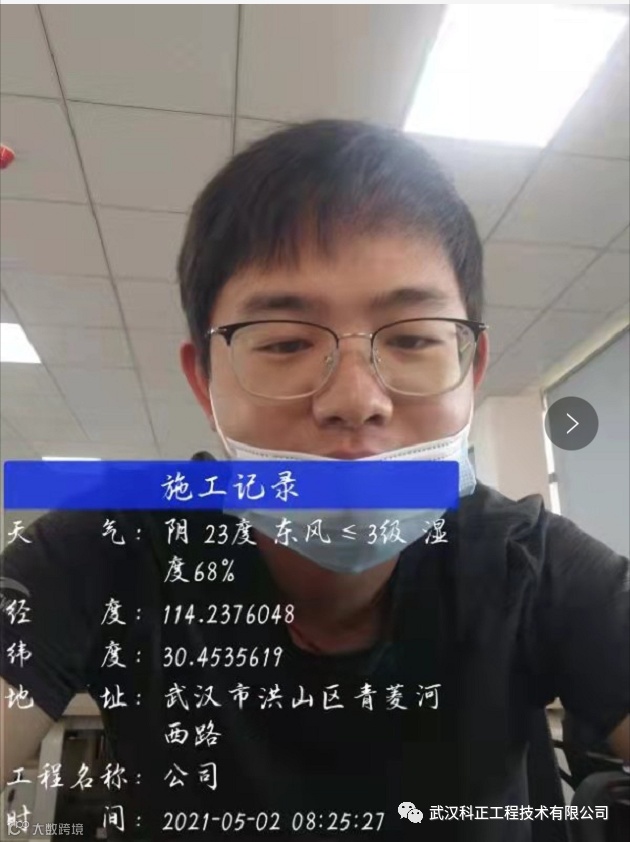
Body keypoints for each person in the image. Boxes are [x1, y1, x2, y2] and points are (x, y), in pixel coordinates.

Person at [1, 120, 628, 842]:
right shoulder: (107, 547)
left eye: (412, 337)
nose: (355, 400)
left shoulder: (532, 566)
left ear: (472, 370)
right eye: (285, 343)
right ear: (205, 383)